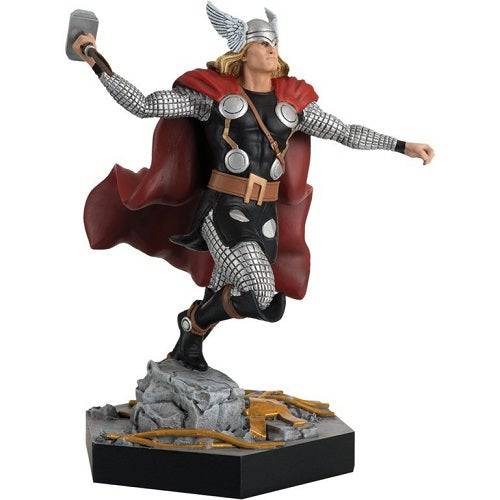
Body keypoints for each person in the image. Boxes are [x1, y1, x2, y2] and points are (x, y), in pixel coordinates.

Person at [73, 2, 434, 371]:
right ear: (243, 52)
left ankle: (190, 338)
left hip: (266, 216)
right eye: (263, 43)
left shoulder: (292, 105)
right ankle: (192, 322)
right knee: (261, 294)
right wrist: (91, 55)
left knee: (241, 296)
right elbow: (142, 105)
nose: (271, 49)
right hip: (224, 211)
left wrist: (401, 145)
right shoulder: (212, 97)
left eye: (274, 43)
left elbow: (345, 132)